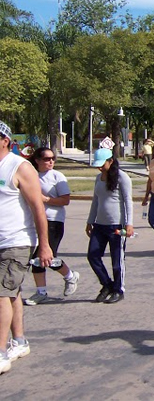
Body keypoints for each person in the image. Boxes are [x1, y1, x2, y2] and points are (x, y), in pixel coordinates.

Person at [0, 120, 53, 374]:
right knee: (12, 292)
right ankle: (19, 341)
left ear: (5, 141)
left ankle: (0, 353)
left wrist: (44, 245)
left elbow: (37, 209)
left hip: (16, 241)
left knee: (0, 294)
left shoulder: (19, 167)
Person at [24, 148, 79, 306]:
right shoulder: (32, 176)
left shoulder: (57, 176)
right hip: (34, 221)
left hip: (53, 221)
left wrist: (45, 199)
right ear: (37, 160)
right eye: (47, 159)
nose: (51, 161)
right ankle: (41, 292)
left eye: (53, 158)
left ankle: (70, 276)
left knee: (46, 257)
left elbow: (65, 200)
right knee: (36, 259)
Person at [86, 148, 133, 304]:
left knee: (117, 261)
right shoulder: (98, 178)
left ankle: (119, 289)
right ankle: (107, 284)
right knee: (93, 255)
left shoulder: (122, 178)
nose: (100, 168)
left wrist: (129, 224)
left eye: (102, 164)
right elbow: (95, 201)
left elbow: (128, 202)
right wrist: (90, 220)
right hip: (99, 225)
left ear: (111, 161)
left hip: (117, 226)